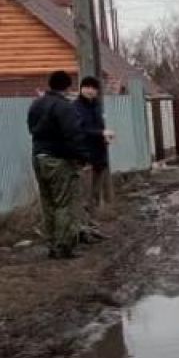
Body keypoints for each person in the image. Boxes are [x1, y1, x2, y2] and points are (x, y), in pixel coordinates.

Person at [27, 70, 89, 259]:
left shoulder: (36, 104)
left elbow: (31, 128)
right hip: (59, 160)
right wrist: (82, 157)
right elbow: (73, 135)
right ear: (67, 86)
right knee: (63, 203)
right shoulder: (64, 107)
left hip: (38, 157)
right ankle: (64, 247)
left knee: (48, 202)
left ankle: (52, 245)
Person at [74, 76, 111, 241]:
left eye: (93, 88)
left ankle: (93, 228)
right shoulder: (75, 108)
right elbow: (80, 131)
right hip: (85, 157)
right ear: (81, 89)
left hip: (99, 156)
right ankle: (83, 231)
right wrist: (100, 133)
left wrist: (104, 138)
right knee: (84, 197)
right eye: (87, 87)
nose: (90, 90)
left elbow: (98, 128)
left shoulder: (96, 107)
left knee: (95, 196)